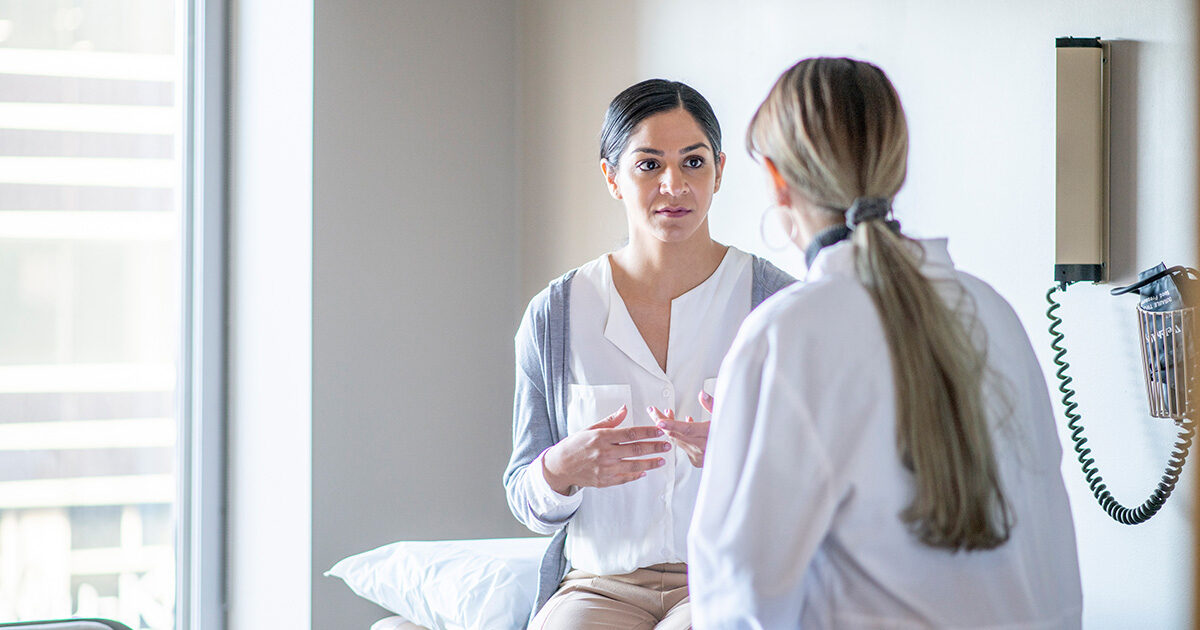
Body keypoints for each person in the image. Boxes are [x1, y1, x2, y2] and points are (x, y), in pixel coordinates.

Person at [688, 58, 1083, 629]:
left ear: (778, 181)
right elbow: (1051, 559)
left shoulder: (787, 336)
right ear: (894, 167)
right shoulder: (991, 311)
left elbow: (739, 600)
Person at [503, 79, 794, 629]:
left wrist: (744, 456)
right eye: (648, 165)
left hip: (725, 577)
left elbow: (820, 477)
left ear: (721, 170)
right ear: (612, 176)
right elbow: (525, 492)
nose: (674, 184)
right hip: (597, 586)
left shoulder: (775, 302)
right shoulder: (556, 316)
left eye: (693, 161)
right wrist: (561, 469)